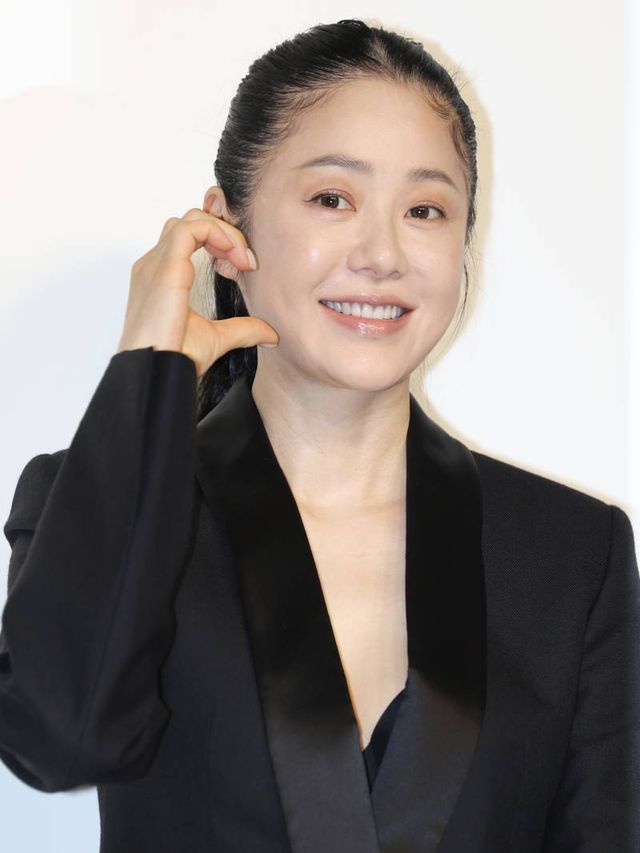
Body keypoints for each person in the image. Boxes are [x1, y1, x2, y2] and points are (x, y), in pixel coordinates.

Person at [0, 17, 638, 853]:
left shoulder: (572, 553)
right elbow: (58, 741)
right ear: (227, 231)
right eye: (332, 199)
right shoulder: (104, 505)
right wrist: (148, 372)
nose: (382, 253)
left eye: (425, 209)